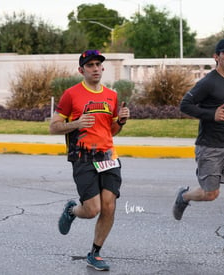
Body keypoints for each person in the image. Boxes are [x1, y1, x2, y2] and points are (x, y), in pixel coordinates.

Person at [172, 38, 224, 254]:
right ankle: (184, 196)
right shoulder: (208, 82)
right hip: (209, 146)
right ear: (216, 57)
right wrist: (211, 114)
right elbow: (185, 105)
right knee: (211, 194)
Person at [49, 49, 130, 271]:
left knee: (109, 207)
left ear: (102, 68)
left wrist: (121, 122)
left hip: (108, 156)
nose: (95, 68)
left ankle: (95, 253)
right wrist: (75, 123)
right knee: (92, 209)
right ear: (81, 70)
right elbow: (53, 127)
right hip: (82, 157)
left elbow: (111, 130)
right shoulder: (71, 95)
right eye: (90, 65)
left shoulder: (111, 96)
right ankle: (72, 210)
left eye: (98, 65)